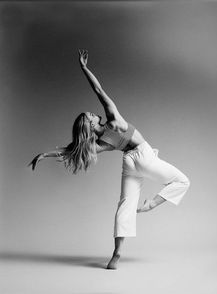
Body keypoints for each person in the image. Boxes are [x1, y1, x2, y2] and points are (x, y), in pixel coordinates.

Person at [28, 49, 190, 270]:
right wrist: (84, 68)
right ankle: (151, 204)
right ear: (92, 125)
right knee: (182, 181)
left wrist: (44, 155)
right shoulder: (114, 120)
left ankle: (116, 254)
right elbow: (98, 89)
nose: (94, 113)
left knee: (124, 206)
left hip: (129, 162)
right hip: (143, 155)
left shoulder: (101, 143)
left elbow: (71, 150)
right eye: (91, 115)